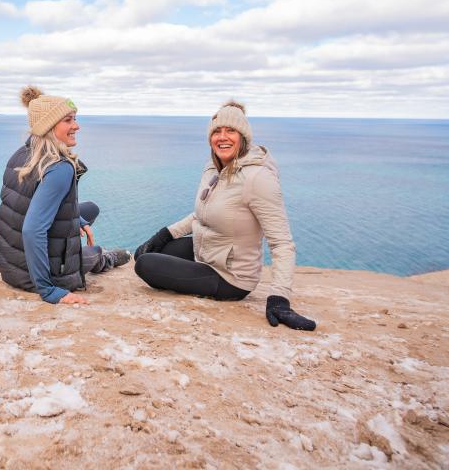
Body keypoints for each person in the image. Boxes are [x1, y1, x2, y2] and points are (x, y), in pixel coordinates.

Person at [133, 100, 316, 330]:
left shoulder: (258, 178)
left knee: (146, 264)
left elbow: (281, 243)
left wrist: (280, 299)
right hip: (207, 252)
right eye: (217, 131)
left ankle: (215, 286)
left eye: (231, 131)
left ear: (243, 137)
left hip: (230, 276)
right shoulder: (212, 168)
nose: (223, 137)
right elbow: (201, 213)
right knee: (148, 251)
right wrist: (164, 234)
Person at [0, 86, 130, 304]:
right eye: (68, 120)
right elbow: (32, 230)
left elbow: (22, 211)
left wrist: (79, 220)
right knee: (92, 252)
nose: (77, 126)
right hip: (39, 276)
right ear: (49, 126)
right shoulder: (59, 167)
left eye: (74, 119)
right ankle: (106, 259)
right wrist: (48, 290)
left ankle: (82, 227)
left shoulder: (20, 155)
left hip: (10, 265)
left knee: (89, 209)